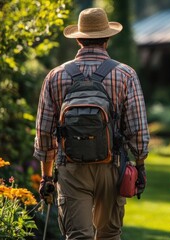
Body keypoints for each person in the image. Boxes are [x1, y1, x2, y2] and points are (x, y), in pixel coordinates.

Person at [33, 7, 150, 239]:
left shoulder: (56, 76)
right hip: (112, 166)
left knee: (78, 235)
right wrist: (140, 165)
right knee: (108, 234)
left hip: (71, 167)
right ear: (107, 39)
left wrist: (46, 177)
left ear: (78, 39)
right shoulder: (126, 75)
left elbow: (45, 134)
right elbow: (138, 131)